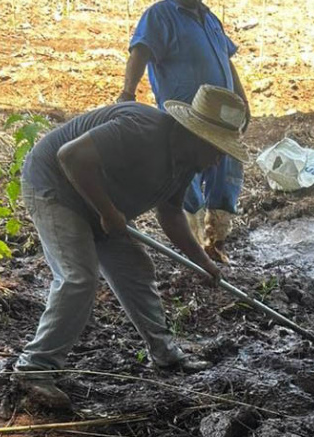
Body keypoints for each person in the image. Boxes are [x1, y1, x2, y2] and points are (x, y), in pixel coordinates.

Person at [16, 85, 250, 410]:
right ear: (196, 135)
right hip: (56, 186)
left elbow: (170, 214)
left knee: (136, 270)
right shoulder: (143, 129)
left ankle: (165, 353)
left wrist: (202, 261)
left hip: (103, 203)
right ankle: (35, 368)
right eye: (217, 148)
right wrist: (107, 211)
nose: (218, 158)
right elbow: (70, 156)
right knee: (79, 278)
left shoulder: (185, 161)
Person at [118, 0, 250, 263]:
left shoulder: (210, 18)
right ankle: (194, 247)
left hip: (220, 120)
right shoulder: (160, 15)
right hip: (188, 121)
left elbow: (226, 58)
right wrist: (128, 92)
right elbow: (140, 52)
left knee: (224, 173)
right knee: (185, 180)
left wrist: (243, 100)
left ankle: (216, 243)